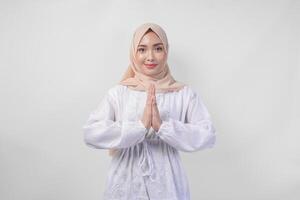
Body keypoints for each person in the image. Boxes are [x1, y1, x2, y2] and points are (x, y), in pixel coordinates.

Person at [83, 23, 217, 200]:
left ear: (166, 51)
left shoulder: (183, 94)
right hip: (125, 181)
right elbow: (91, 133)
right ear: (133, 53)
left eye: (158, 48)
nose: (150, 57)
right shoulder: (119, 93)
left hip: (167, 181)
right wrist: (138, 127)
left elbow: (208, 135)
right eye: (142, 49)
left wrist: (163, 127)